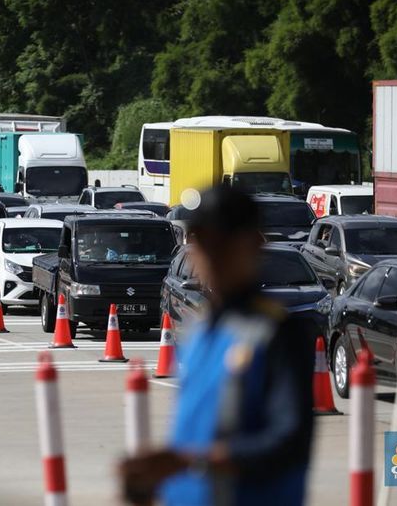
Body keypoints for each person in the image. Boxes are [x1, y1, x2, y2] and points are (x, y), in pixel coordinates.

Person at [119, 186, 313, 506]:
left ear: (252, 243)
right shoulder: (199, 333)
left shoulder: (274, 333)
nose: (208, 252)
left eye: (220, 241)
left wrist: (192, 463)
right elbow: (193, 434)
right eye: (200, 240)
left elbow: (288, 442)